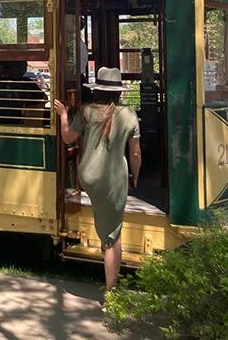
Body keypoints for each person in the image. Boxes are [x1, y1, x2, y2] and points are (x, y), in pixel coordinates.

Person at [54, 67, 142, 292]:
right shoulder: (130, 115)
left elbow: (67, 138)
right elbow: (135, 154)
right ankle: (112, 292)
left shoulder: (86, 111)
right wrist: (135, 176)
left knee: (105, 221)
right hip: (111, 178)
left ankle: (104, 238)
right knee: (113, 236)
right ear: (118, 92)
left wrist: (64, 114)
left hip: (88, 176)